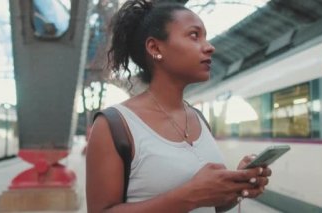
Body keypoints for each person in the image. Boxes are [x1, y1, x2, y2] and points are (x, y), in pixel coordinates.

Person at [86, 0, 271, 212]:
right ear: (155, 48)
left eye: (206, 37)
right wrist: (189, 196)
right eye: (194, 35)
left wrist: (236, 186)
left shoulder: (198, 119)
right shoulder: (114, 125)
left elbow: (210, 205)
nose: (210, 47)